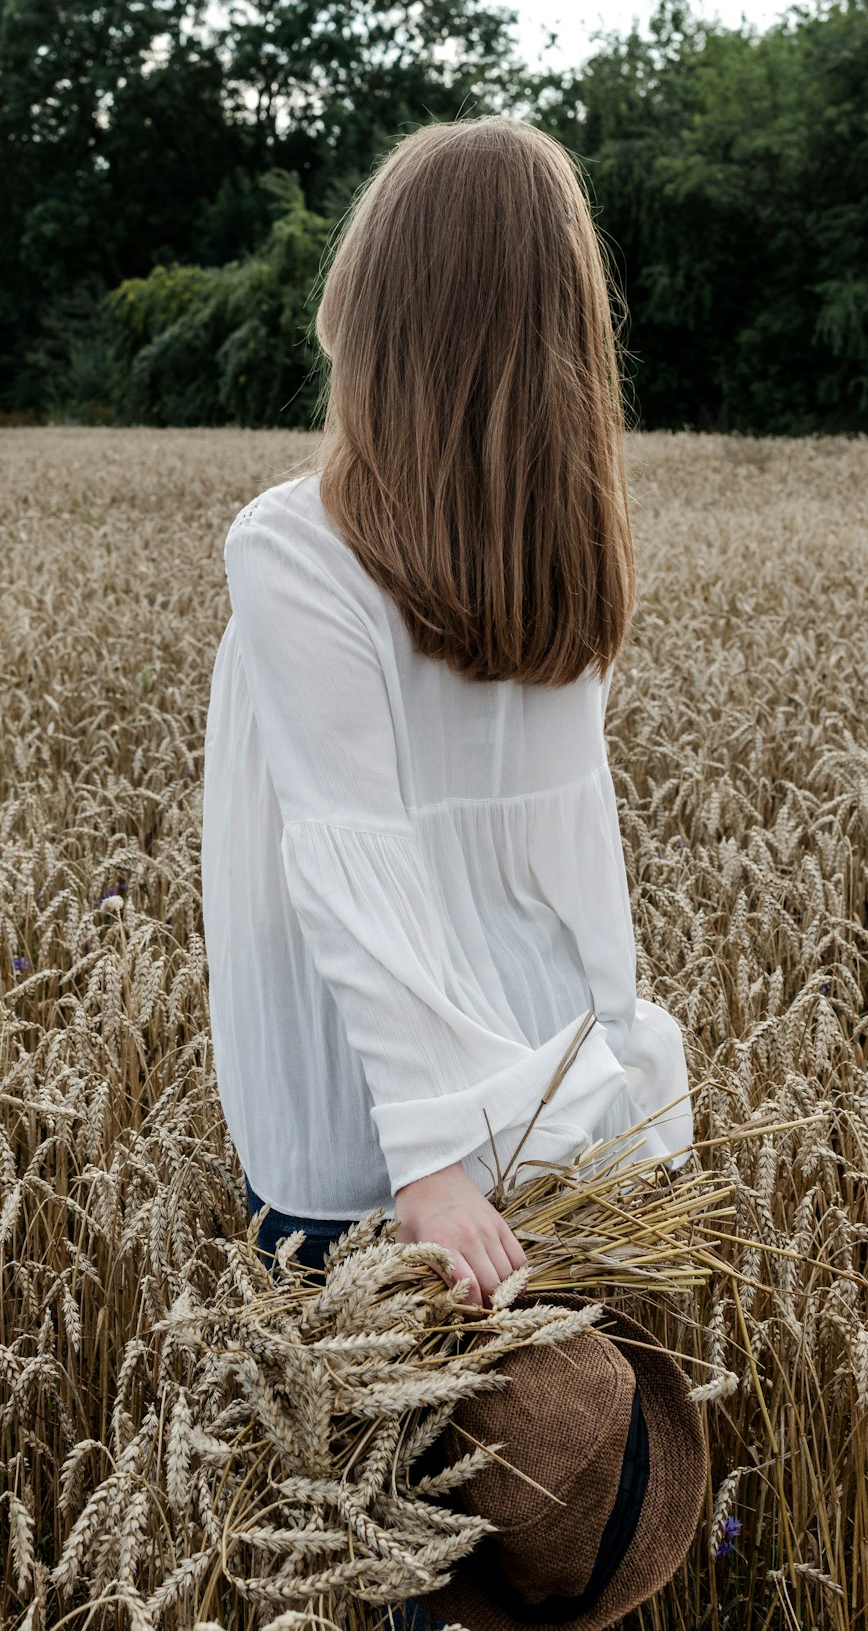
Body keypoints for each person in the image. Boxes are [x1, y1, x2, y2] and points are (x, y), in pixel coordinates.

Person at [199, 116, 696, 1623]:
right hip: (542, 1102)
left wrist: (422, 1160)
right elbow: (573, 857)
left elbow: (348, 860)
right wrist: (617, 1066)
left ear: (379, 318)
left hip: (367, 1135)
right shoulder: (563, 556)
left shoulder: (298, 545)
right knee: (507, 1516)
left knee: (390, 1541)